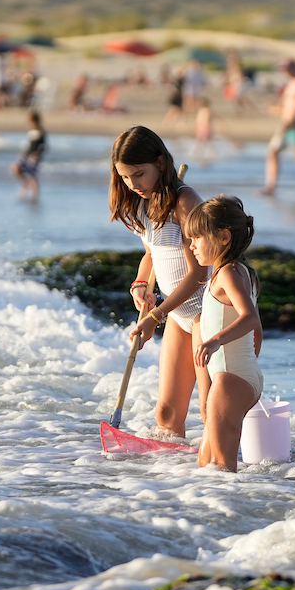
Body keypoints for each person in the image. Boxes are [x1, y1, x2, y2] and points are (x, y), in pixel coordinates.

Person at [110, 126, 207, 438]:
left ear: (161, 164)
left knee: (211, 408)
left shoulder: (184, 202)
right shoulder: (144, 203)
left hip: (209, 314)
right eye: (125, 177)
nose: (133, 184)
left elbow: (198, 274)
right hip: (179, 315)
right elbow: (152, 254)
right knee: (166, 413)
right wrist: (140, 283)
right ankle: (171, 479)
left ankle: (224, 479)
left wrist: (156, 315)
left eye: (139, 174)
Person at [185, 195, 263, 471]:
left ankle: (229, 513)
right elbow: (258, 334)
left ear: (224, 237)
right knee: (206, 463)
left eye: (197, 238)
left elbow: (249, 318)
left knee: (220, 467)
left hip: (231, 379)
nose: (191, 245)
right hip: (238, 375)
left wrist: (217, 341)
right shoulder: (239, 273)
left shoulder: (229, 273)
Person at [263, 59, 295, 194]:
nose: (286, 72)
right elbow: (286, 107)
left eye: (287, 69)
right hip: (285, 124)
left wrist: (289, 122)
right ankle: (270, 187)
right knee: (272, 151)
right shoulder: (289, 85)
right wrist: (273, 109)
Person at [11, 110, 47, 202]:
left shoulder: (41, 132)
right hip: (27, 155)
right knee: (15, 168)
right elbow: (29, 145)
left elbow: (44, 146)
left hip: (34, 157)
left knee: (32, 175)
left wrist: (38, 154)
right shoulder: (31, 131)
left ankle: (35, 195)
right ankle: (26, 184)